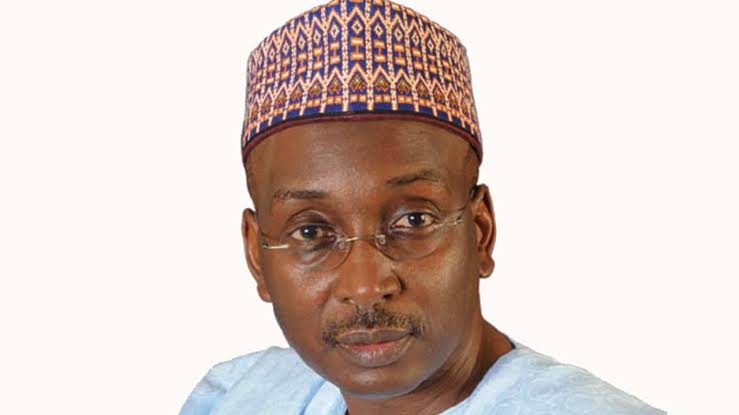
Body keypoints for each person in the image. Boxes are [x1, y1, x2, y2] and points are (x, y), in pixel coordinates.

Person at [180, 1, 664, 414]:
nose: (365, 286)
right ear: (256, 255)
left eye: (413, 220)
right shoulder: (236, 397)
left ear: (480, 232)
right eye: (311, 233)